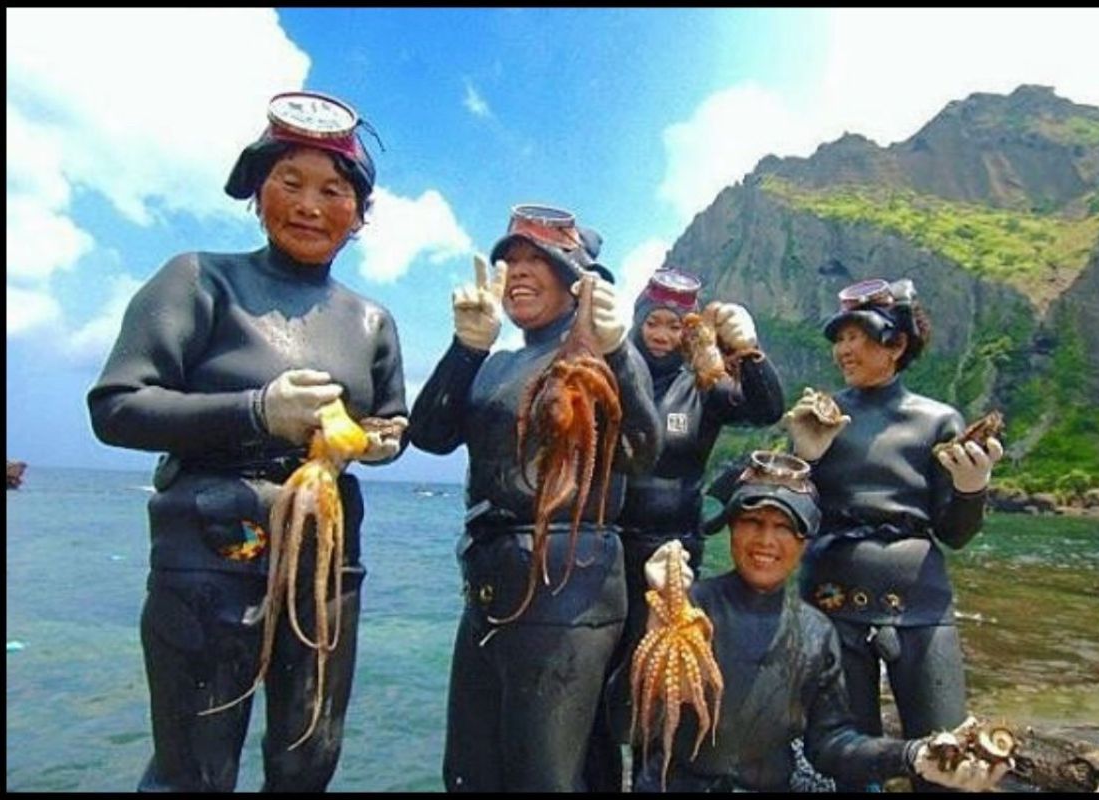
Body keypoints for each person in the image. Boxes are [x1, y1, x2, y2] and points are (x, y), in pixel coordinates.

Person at [87, 90, 409, 792]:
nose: (310, 204)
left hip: (327, 566)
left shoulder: (372, 321)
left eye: (333, 190)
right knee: (194, 768)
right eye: (289, 182)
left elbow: (389, 423)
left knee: (308, 758)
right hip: (206, 557)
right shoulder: (198, 279)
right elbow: (116, 407)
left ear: (357, 216)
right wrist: (257, 411)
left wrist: (378, 443)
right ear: (257, 193)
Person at [406, 203, 662, 792]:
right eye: (510, 260)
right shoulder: (497, 364)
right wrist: (465, 349)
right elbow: (431, 436)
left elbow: (641, 449)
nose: (518, 271)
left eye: (537, 261)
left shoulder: (601, 359)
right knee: (471, 771)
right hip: (490, 582)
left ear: (579, 282)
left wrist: (619, 350)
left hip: (568, 588)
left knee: (547, 776)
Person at [633, 452, 1009, 793]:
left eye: (784, 527)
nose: (766, 540)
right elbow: (625, 722)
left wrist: (913, 755)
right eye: (752, 521)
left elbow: (831, 745)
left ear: (805, 540)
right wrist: (658, 615)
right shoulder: (690, 609)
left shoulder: (815, 632)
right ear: (731, 527)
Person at [783, 277, 1004, 790]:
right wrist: (800, 460)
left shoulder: (938, 421)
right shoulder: (819, 418)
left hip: (921, 605)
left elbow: (956, 533)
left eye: (856, 337)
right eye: (838, 339)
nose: (843, 350)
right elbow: (779, 510)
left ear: (896, 343)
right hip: (830, 604)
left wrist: (972, 489)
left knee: (949, 755)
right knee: (848, 759)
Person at [587, 268, 785, 790]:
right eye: (653, 322)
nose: (662, 335)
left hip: (671, 556)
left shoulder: (704, 382)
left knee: (663, 682)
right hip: (604, 549)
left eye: (676, 327)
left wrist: (748, 350)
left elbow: (765, 410)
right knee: (598, 680)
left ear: (690, 334)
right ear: (635, 322)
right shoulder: (610, 368)